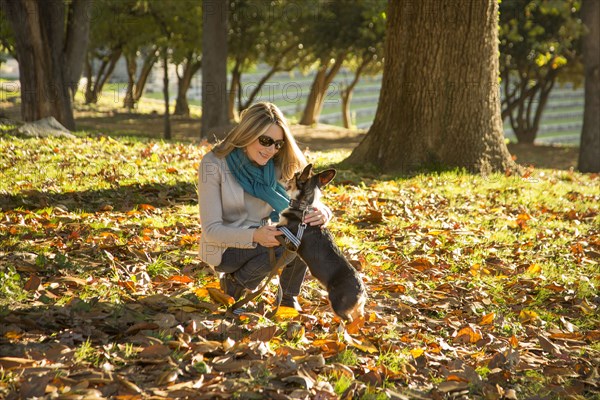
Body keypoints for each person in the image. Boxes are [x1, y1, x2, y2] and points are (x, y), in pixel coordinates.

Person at [197, 102, 332, 311]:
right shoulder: (213, 164)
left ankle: (288, 296)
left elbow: (307, 199)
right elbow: (212, 230)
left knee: (307, 228)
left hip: (267, 235)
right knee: (280, 242)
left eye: (277, 144)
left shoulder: (278, 163)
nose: (271, 150)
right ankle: (235, 285)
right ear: (247, 133)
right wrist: (255, 236)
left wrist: (322, 212)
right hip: (225, 248)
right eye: (266, 141)